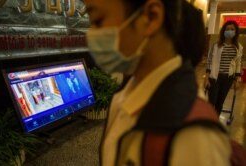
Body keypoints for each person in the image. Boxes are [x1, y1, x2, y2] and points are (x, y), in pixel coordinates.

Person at [84, 0, 231, 165]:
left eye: (97, 20)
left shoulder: (194, 136)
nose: (90, 34)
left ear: (151, 17)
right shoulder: (124, 94)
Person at [204, 20, 243, 116]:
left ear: (235, 32)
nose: (230, 31)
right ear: (223, 31)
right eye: (227, 29)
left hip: (228, 78)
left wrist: (237, 80)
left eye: (232, 29)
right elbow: (209, 61)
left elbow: (238, 63)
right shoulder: (216, 45)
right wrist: (206, 78)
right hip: (214, 78)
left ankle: (215, 121)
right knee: (211, 102)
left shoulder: (238, 47)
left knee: (220, 103)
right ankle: (208, 120)